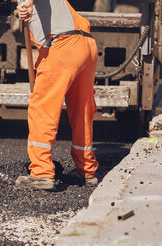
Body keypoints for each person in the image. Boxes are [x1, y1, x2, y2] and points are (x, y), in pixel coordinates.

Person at [15, 0, 99, 190]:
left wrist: (26, 3)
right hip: (86, 45)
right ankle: (85, 170)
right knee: (82, 110)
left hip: (63, 45)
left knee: (42, 108)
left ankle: (41, 172)